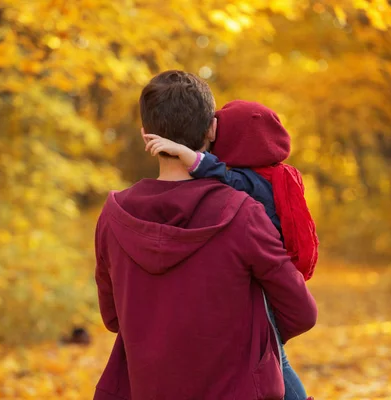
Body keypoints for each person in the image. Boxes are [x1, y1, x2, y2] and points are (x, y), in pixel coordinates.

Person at [93, 70, 317, 400]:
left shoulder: (114, 216)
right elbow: (301, 313)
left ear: (145, 134)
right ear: (212, 128)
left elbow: (113, 318)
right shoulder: (243, 212)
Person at [144, 100, 319, 400]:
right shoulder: (275, 175)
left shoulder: (254, 183)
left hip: (262, 287)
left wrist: (190, 156)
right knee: (272, 358)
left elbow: (224, 177)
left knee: (277, 360)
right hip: (265, 279)